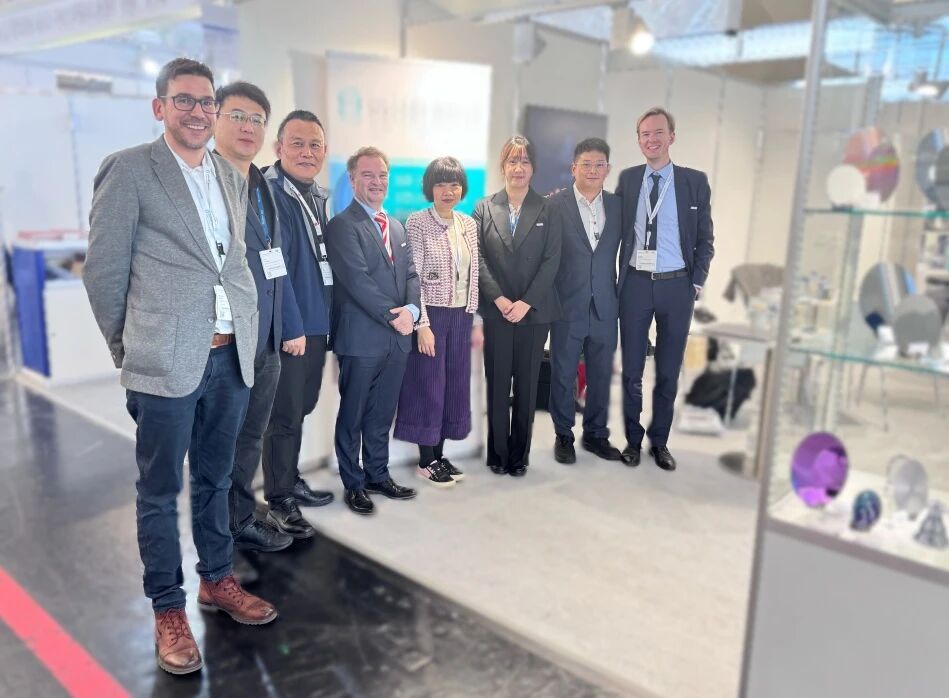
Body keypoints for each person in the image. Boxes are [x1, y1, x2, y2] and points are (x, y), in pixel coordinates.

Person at [83, 58, 277, 677]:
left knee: (218, 479)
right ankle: (168, 608)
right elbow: (104, 271)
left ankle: (217, 578)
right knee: (160, 491)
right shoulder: (130, 169)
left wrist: (246, 327)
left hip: (230, 355)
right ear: (160, 106)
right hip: (163, 361)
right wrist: (129, 350)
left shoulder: (229, 175)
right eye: (184, 100)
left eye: (205, 102)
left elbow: (232, 260)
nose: (198, 111)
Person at [212, 82, 294, 584]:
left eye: (257, 119)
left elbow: (274, 262)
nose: (248, 127)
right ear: (215, 118)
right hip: (226, 338)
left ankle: (241, 510)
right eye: (237, 116)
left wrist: (285, 326)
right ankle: (225, 526)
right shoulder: (205, 180)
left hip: (266, 335)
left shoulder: (261, 183)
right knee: (221, 439)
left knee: (250, 433)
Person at [616, 107, 715, 471]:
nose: (651, 140)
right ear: (638, 140)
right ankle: (632, 440)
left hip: (677, 287)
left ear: (672, 136)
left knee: (668, 371)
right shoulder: (628, 180)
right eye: (644, 134)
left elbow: (705, 240)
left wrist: (696, 281)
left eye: (658, 132)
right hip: (636, 285)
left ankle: (660, 442)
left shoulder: (693, 182)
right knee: (631, 370)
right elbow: (611, 225)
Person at [325, 147, 421, 514]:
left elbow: (410, 274)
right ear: (352, 180)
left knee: (382, 414)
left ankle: (378, 475)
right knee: (353, 414)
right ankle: (353, 483)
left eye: (382, 175)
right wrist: (395, 316)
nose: (376, 182)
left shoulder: (395, 225)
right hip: (361, 338)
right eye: (368, 175)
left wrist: (412, 311)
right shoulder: (342, 225)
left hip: (397, 339)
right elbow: (357, 280)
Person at [260, 110, 335, 538]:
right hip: (292, 329)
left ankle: (289, 479)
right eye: (298, 144)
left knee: (302, 406)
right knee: (284, 415)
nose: (307, 152)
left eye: (315, 145)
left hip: (317, 323)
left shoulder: (317, 195)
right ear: (279, 148)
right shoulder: (270, 193)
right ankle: (279, 500)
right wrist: (290, 326)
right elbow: (275, 267)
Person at [474, 136, 561, 477]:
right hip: (497, 310)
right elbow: (478, 258)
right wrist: (498, 298)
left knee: (526, 386)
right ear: (503, 166)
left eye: (525, 161)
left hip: (533, 312)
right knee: (497, 385)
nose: (518, 168)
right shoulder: (484, 208)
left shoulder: (548, 209)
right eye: (512, 161)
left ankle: (518, 456)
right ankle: (497, 454)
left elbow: (552, 260)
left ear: (533, 167)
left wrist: (526, 302)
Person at [393, 157, 479, 487]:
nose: (448, 191)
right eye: (441, 184)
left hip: (461, 315)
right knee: (428, 384)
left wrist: (475, 319)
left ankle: (439, 456)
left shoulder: (467, 224)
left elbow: (473, 275)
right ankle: (426, 461)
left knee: (454, 385)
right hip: (432, 315)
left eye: (454, 184)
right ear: (430, 188)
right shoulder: (418, 222)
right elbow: (413, 275)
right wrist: (422, 324)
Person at [548, 138, 624, 465]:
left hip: (606, 305)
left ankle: (596, 435)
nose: (593, 170)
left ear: (608, 169)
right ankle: (563, 435)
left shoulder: (619, 206)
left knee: (601, 374)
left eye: (599, 165)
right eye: (586, 164)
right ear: (573, 168)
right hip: (567, 304)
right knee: (564, 373)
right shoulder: (554, 205)